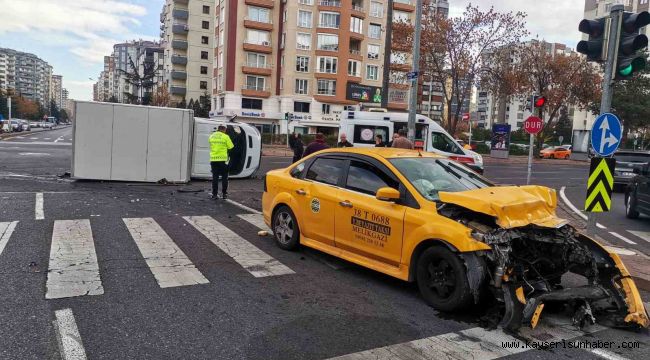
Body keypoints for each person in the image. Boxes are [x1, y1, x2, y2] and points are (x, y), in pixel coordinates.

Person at [209, 125, 234, 200]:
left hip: (213, 160)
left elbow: (211, 144)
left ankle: (214, 195)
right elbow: (231, 147)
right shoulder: (225, 137)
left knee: (215, 177)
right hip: (223, 160)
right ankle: (224, 194)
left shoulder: (212, 136)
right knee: (224, 177)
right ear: (224, 129)